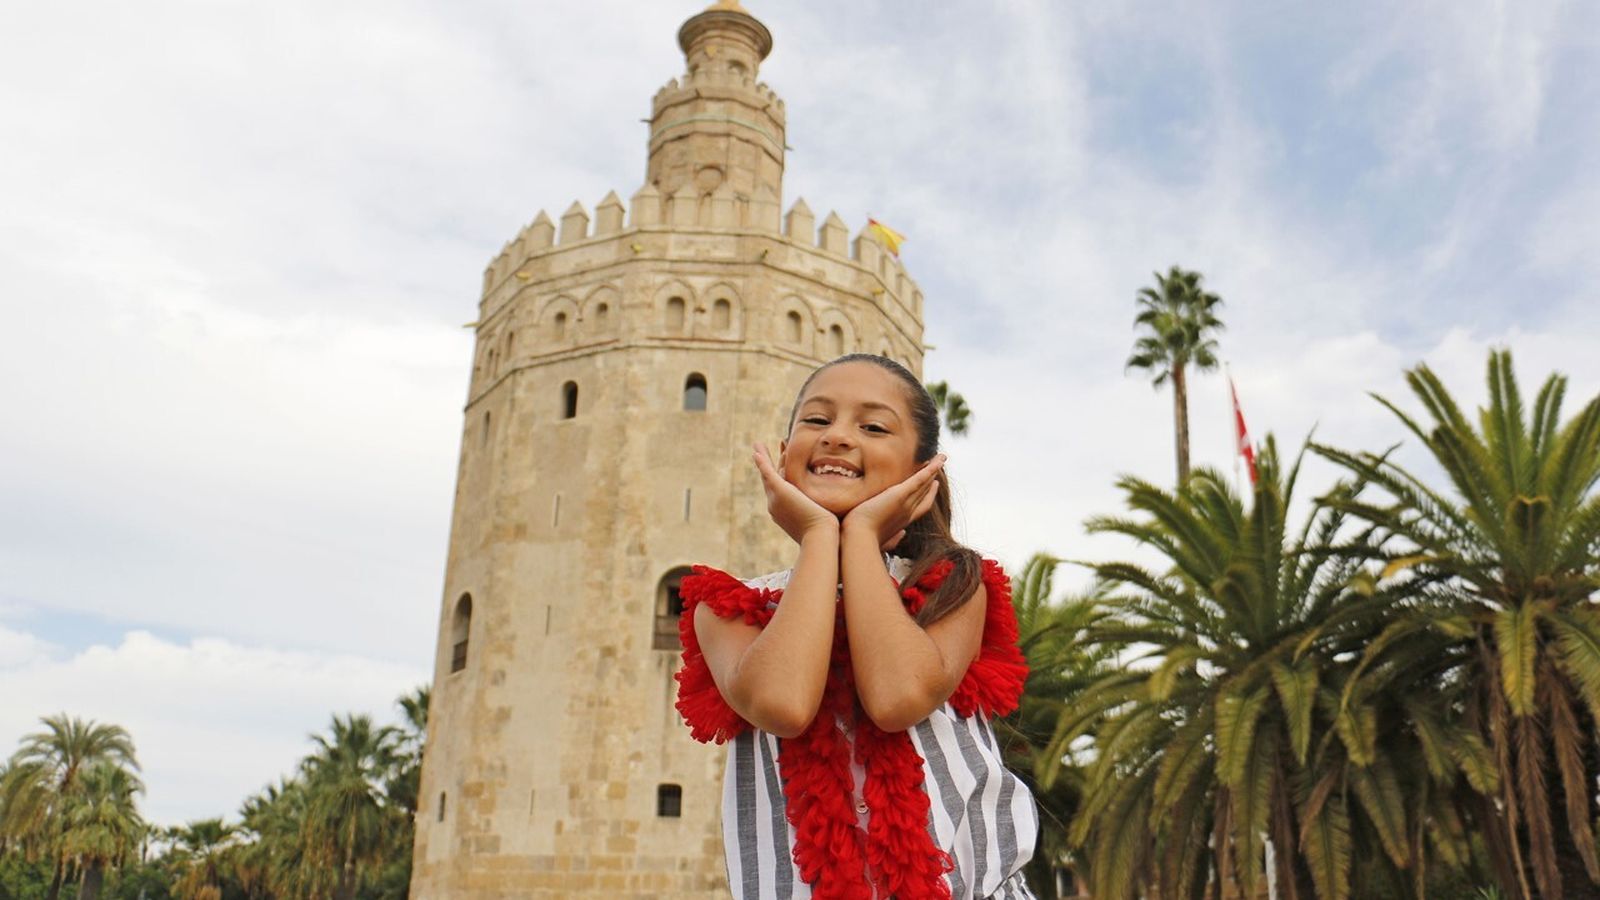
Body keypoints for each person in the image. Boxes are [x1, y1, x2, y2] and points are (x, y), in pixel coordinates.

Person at [675, 353, 1039, 900]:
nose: (838, 438)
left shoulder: (955, 585)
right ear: (782, 455)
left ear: (923, 473)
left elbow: (898, 697)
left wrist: (862, 534)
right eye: (817, 421)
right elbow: (783, 703)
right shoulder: (729, 608)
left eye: (872, 427)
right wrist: (822, 535)